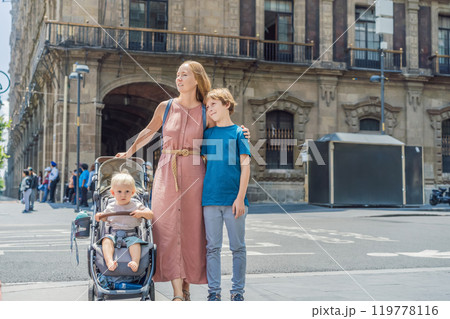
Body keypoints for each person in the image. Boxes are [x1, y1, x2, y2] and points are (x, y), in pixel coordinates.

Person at [116, 61, 250, 301]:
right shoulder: (165, 107)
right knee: (167, 229)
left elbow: (224, 128)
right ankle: (178, 293)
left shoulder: (205, 111)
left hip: (197, 174)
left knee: (192, 231)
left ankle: (186, 288)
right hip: (167, 172)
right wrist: (129, 151)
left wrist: (243, 132)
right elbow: (148, 131)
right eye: (177, 74)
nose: (178, 78)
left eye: (184, 74)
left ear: (196, 79)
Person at [201, 88, 251, 301]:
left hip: (234, 201)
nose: (209, 108)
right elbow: (202, 164)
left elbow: (246, 166)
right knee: (212, 248)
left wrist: (239, 198)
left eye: (213, 104)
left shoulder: (239, 133)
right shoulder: (207, 134)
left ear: (226, 105)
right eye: (207, 106)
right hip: (210, 199)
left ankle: (237, 291)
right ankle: (214, 293)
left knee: (237, 248)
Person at [95, 171, 153, 272]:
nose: (123, 195)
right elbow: (105, 218)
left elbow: (150, 214)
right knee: (106, 241)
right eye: (119, 192)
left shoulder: (136, 204)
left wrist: (141, 213)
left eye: (127, 191)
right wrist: (100, 216)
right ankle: (109, 261)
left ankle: (135, 262)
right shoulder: (110, 205)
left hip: (131, 234)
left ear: (133, 192)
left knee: (135, 244)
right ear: (113, 193)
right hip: (113, 234)